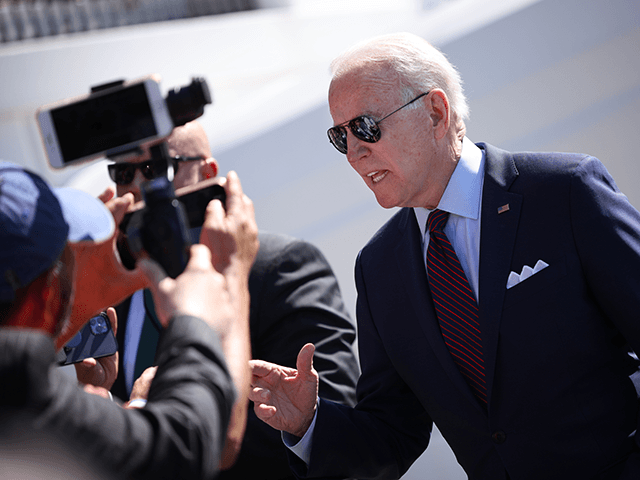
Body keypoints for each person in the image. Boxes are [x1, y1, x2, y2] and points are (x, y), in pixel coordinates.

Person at [248, 32, 640, 480]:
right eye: (341, 137)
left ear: (436, 112)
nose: (355, 153)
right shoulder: (379, 268)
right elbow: (392, 434)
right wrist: (309, 423)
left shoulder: (564, 192)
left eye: (365, 127)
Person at [83, 120, 359, 479]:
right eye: (123, 172)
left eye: (158, 168)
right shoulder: (108, 289)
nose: (137, 185)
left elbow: (333, 416)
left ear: (208, 172)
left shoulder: (279, 267)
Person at [0, 160, 259, 479]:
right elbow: (201, 441)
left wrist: (75, 303)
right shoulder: (23, 396)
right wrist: (231, 275)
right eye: (61, 262)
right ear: (45, 299)